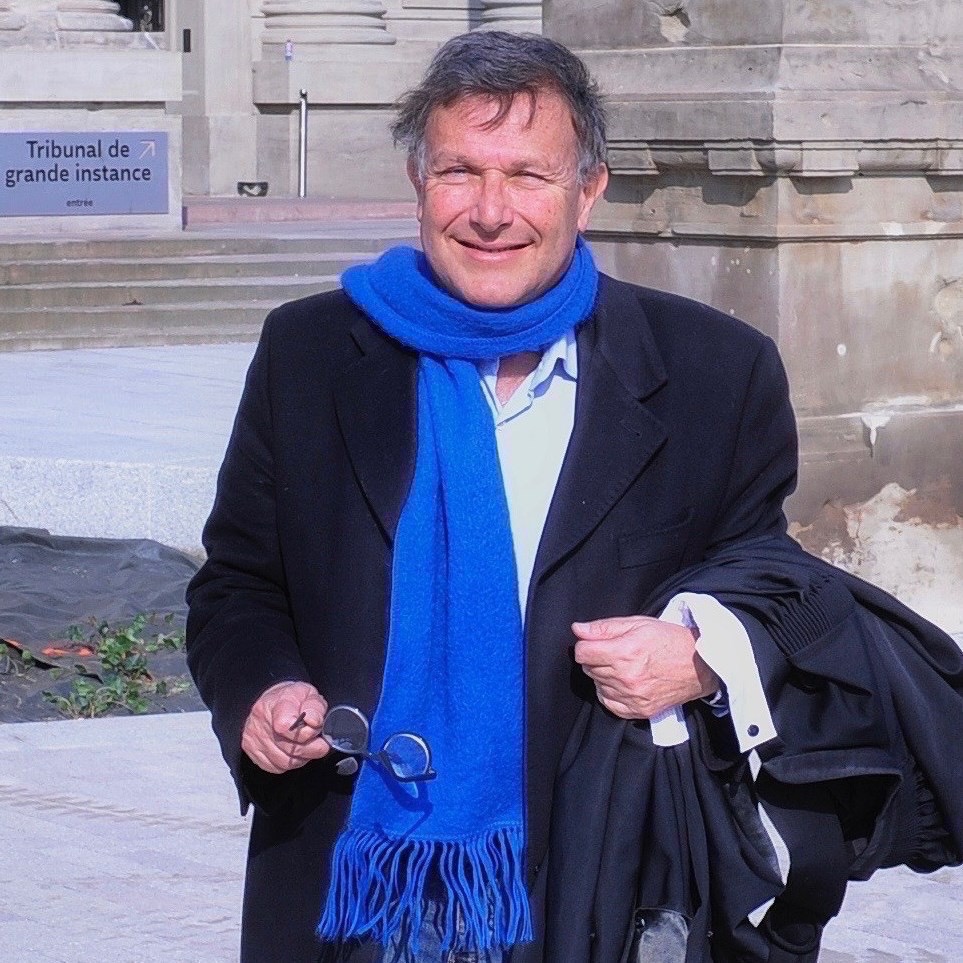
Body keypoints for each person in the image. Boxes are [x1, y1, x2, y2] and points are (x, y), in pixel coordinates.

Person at [186, 30, 963, 963]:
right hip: (351, 881)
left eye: (528, 175)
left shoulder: (713, 370)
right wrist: (259, 690)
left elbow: (767, 578)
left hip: (599, 879)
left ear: (588, 190)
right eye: (459, 171)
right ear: (417, 180)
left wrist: (701, 655)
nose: (490, 211)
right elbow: (237, 583)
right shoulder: (309, 353)